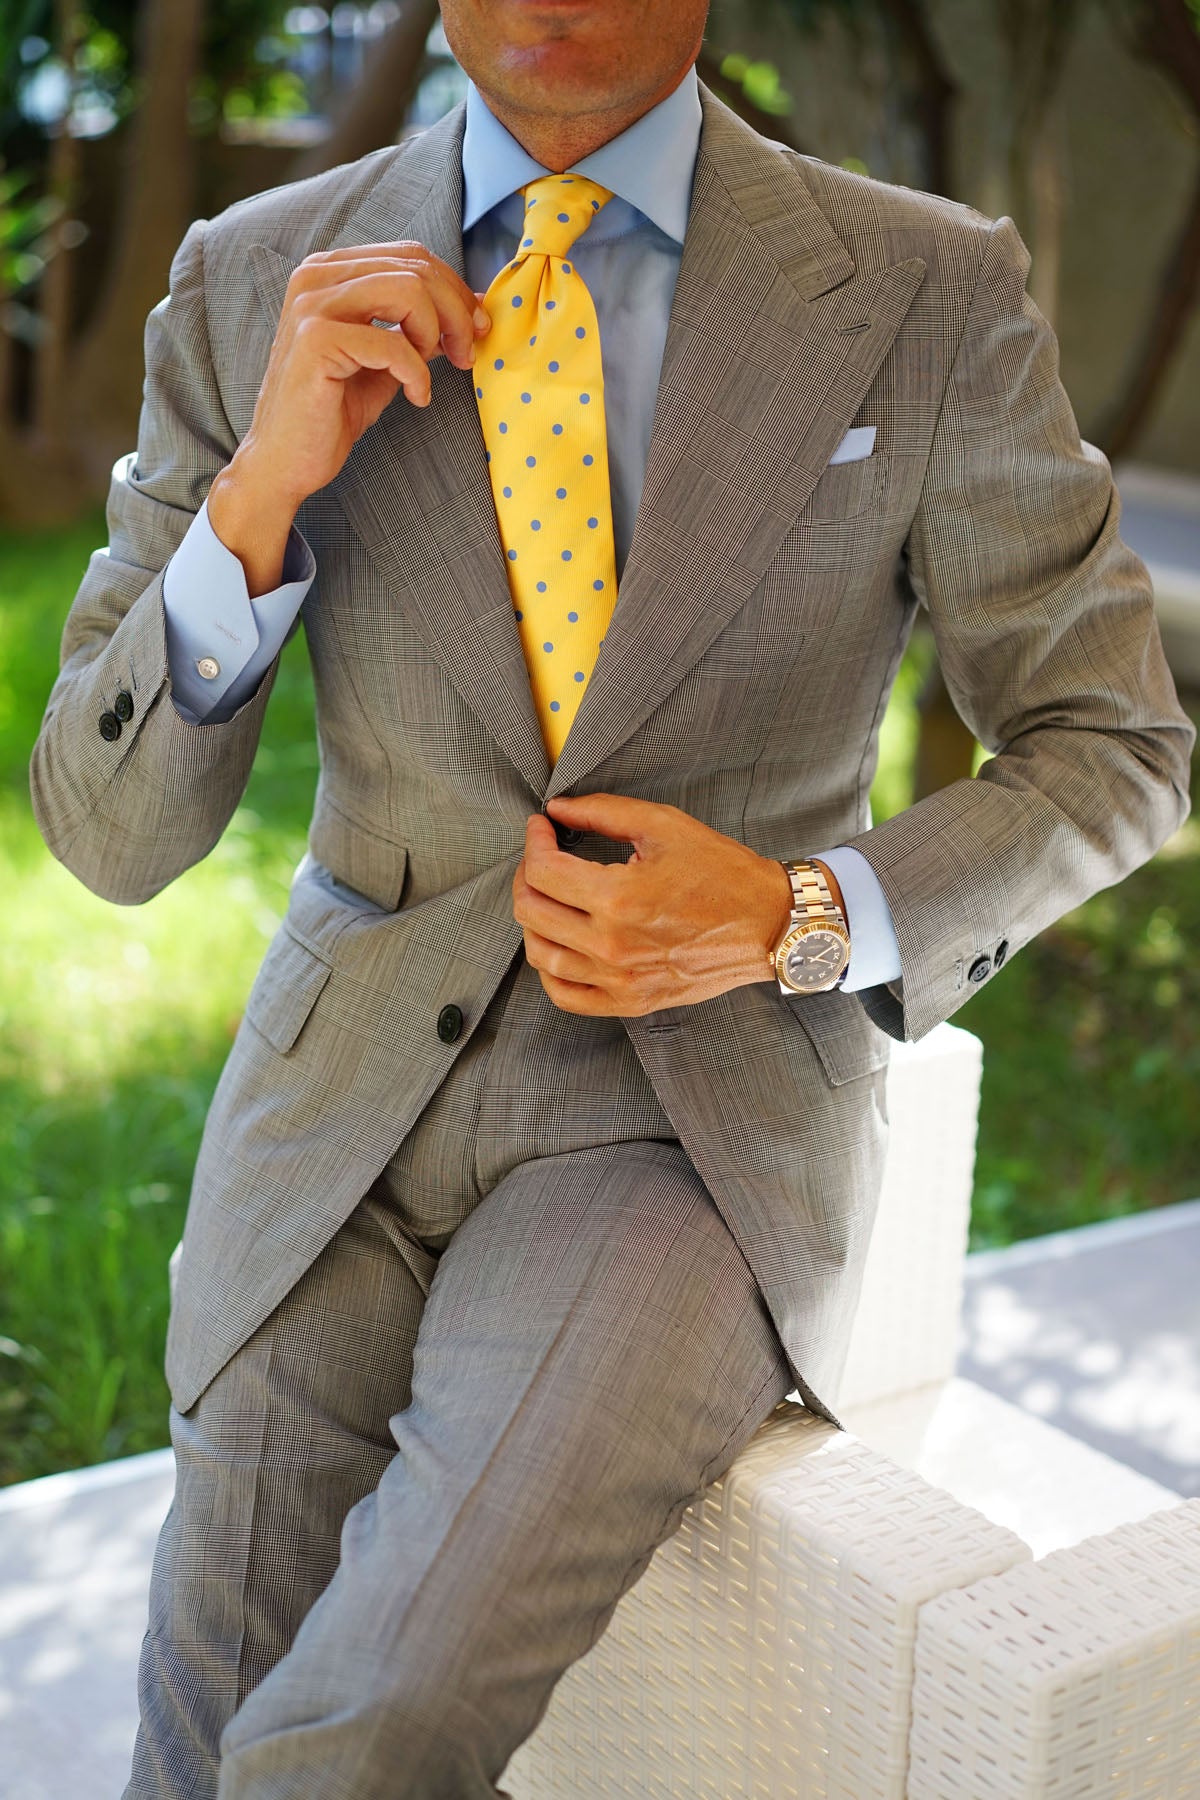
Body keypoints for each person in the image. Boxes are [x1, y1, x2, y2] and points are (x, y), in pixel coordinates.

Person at [30, 0, 1193, 1794]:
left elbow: (1113, 742)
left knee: (376, 1726)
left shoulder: (924, 287)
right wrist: (256, 498)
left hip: (685, 1123)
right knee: (202, 1717)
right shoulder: (257, 271)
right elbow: (108, 842)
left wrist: (793, 911)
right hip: (333, 1117)